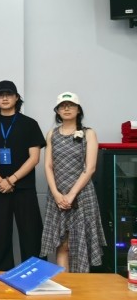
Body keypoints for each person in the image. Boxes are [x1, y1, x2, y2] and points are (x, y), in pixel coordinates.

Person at [0, 80, 46, 270]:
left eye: (9, 94)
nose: (5, 98)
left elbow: (34, 158)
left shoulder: (30, 124)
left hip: (24, 188)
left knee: (31, 234)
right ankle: (1, 274)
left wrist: (12, 179)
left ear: (17, 98)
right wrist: (0, 180)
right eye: (1, 95)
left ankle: (34, 274)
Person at [40, 92, 106, 272]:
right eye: (62, 106)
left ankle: (79, 286)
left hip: (82, 194)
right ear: (57, 111)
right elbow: (48, 166)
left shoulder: (89, 133)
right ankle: (64, 285)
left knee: (80, 243)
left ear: (78, 110)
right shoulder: (51, 134)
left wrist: (71, 195)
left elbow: (90, 168)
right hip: (57, 195)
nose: (67, 108)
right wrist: (56, 194)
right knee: (62, 244)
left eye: (71, 105)